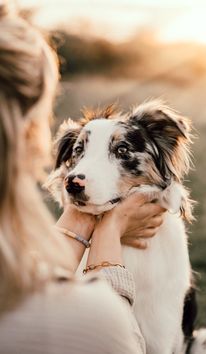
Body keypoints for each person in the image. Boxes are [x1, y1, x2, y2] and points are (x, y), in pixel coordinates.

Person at [0, 2, 165, 353]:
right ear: (30, 134)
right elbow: (119, 339)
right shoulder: (81, 321)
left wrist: (80, 213)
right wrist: (109, 229)